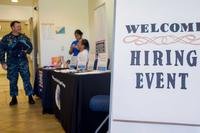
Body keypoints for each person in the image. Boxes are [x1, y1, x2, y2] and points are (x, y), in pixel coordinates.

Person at [0, 21, 35, 106]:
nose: (19, 28)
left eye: (20, 26)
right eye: (17, 26)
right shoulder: (6, 38)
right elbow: (1, 51)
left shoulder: (24, 37)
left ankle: (30, 96)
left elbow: (30, 47)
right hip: (11, 63)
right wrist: (3, 62)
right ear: (12, 27)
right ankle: (14, 98)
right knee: (13, 81)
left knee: (26, 79)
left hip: (23, 62)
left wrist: (26, 50)